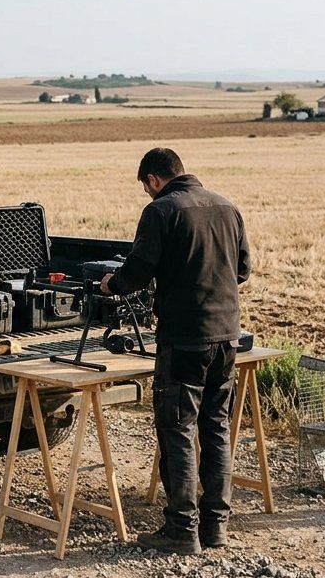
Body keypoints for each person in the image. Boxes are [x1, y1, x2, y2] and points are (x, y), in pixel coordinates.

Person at [100, 147, 250, 554]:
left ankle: (182, 530)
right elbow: (242, 272)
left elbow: (137, 272)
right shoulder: (227, 207)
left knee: (179, 430)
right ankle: (215, 527)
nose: (147, 194)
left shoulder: (162, 210)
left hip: (184, 338)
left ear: (153, 180)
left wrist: (111, 285)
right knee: (216, 429)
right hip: (227, 337)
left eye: (145, 187)